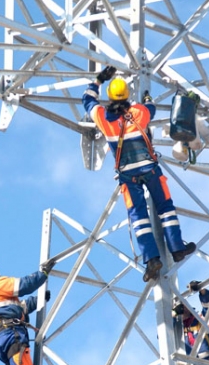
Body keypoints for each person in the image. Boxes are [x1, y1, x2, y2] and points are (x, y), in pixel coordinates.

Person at [82, 66, 196, 282]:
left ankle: (152, 259)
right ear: (127, 96)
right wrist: (145, 98)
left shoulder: (103, 119)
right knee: (166, 210)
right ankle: (177, 247)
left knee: (139, 218)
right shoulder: (139, 114)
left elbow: (87, 100)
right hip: (150, 170)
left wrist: (98, 80)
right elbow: (150, 107)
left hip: (128, 176)